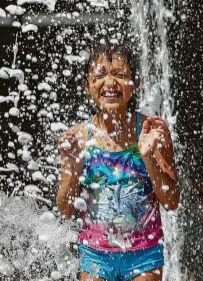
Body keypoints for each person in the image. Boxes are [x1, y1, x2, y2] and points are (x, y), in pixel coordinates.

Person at [56, 44, 180, 281]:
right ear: (88, 85)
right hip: (95, 256)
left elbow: (172, 201)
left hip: (144, 255)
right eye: (100, 75)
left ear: (135, 84)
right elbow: (65, 210)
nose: (110, 83)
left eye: (121, 75)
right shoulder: (80, 138)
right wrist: (73, 165)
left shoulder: (151, 132)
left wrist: (148, 156)